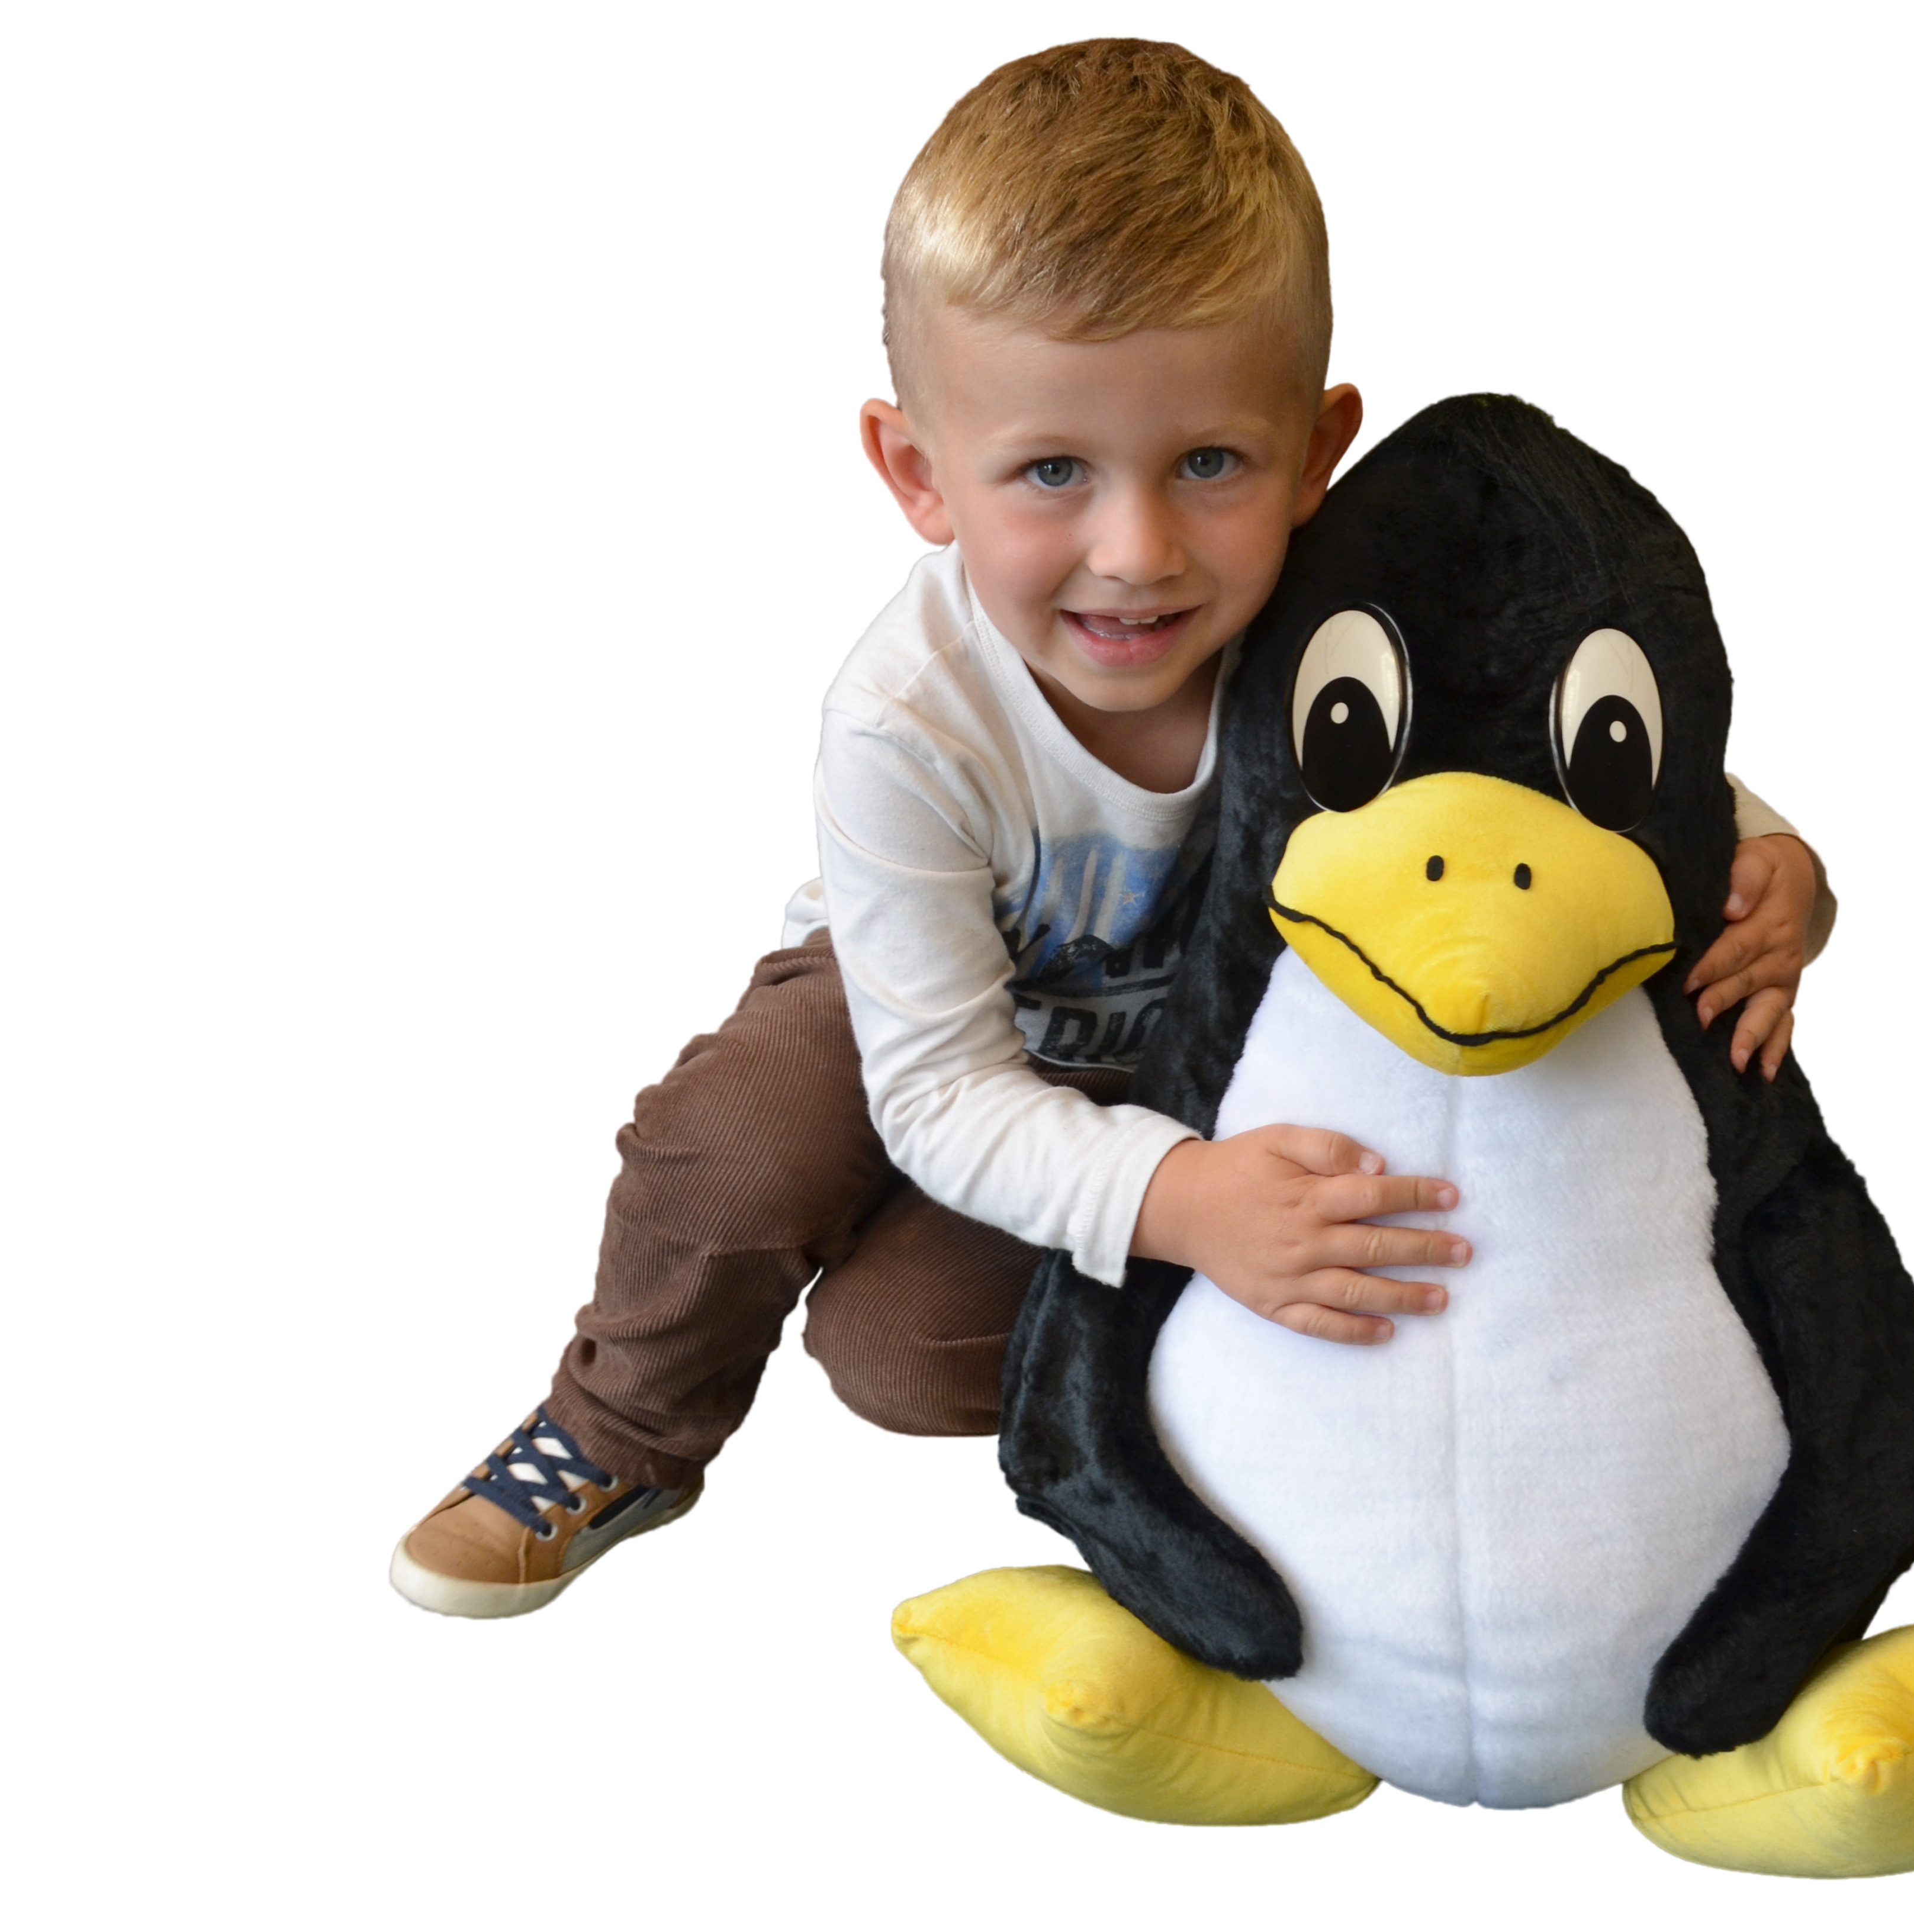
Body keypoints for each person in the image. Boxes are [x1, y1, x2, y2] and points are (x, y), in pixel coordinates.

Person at [390, 38, 1835, 1619]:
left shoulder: (1344, 608)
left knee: (900, 1355)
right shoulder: (906, 718)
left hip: (1194, 1067)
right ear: (918, 472)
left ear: (1318, 454)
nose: (1136, 552)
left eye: (1210, 462)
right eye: (1051, 472)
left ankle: (1253, 1439)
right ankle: (618, 1434)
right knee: (737, 1146)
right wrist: (1182, 1206)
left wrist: (1771, 863)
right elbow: (938, 1089)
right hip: (918, 1019)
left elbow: (1533, 757)